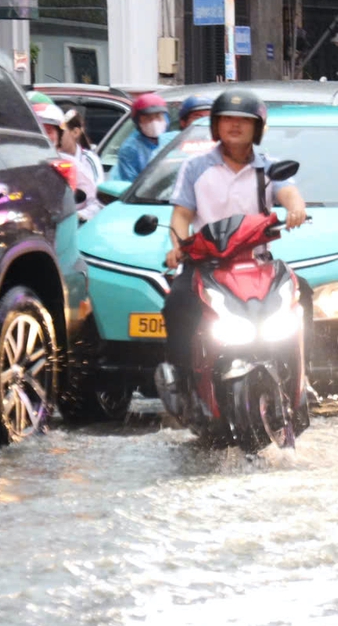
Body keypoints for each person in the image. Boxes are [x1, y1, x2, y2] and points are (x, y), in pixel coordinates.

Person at [157, 90, 310, 399]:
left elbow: (289, 194)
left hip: (256, 265)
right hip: (206, 264)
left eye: (244, 120)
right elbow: (181, 215)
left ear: (258, 128)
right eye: (227, 119)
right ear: (216, 125)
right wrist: (176, 246)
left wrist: (296, 209)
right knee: (177, 304)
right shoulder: (195, 167)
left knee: (302, 292)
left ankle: (302, 376)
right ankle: (183, 380)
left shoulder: (269, 167)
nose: (235, 125)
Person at [111, 92, 169, 184]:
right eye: (148, 118)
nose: (154, 122)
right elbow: (131, 186)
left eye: (158, 117)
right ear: (138, 121)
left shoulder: (172, 140)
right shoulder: (130, 149)